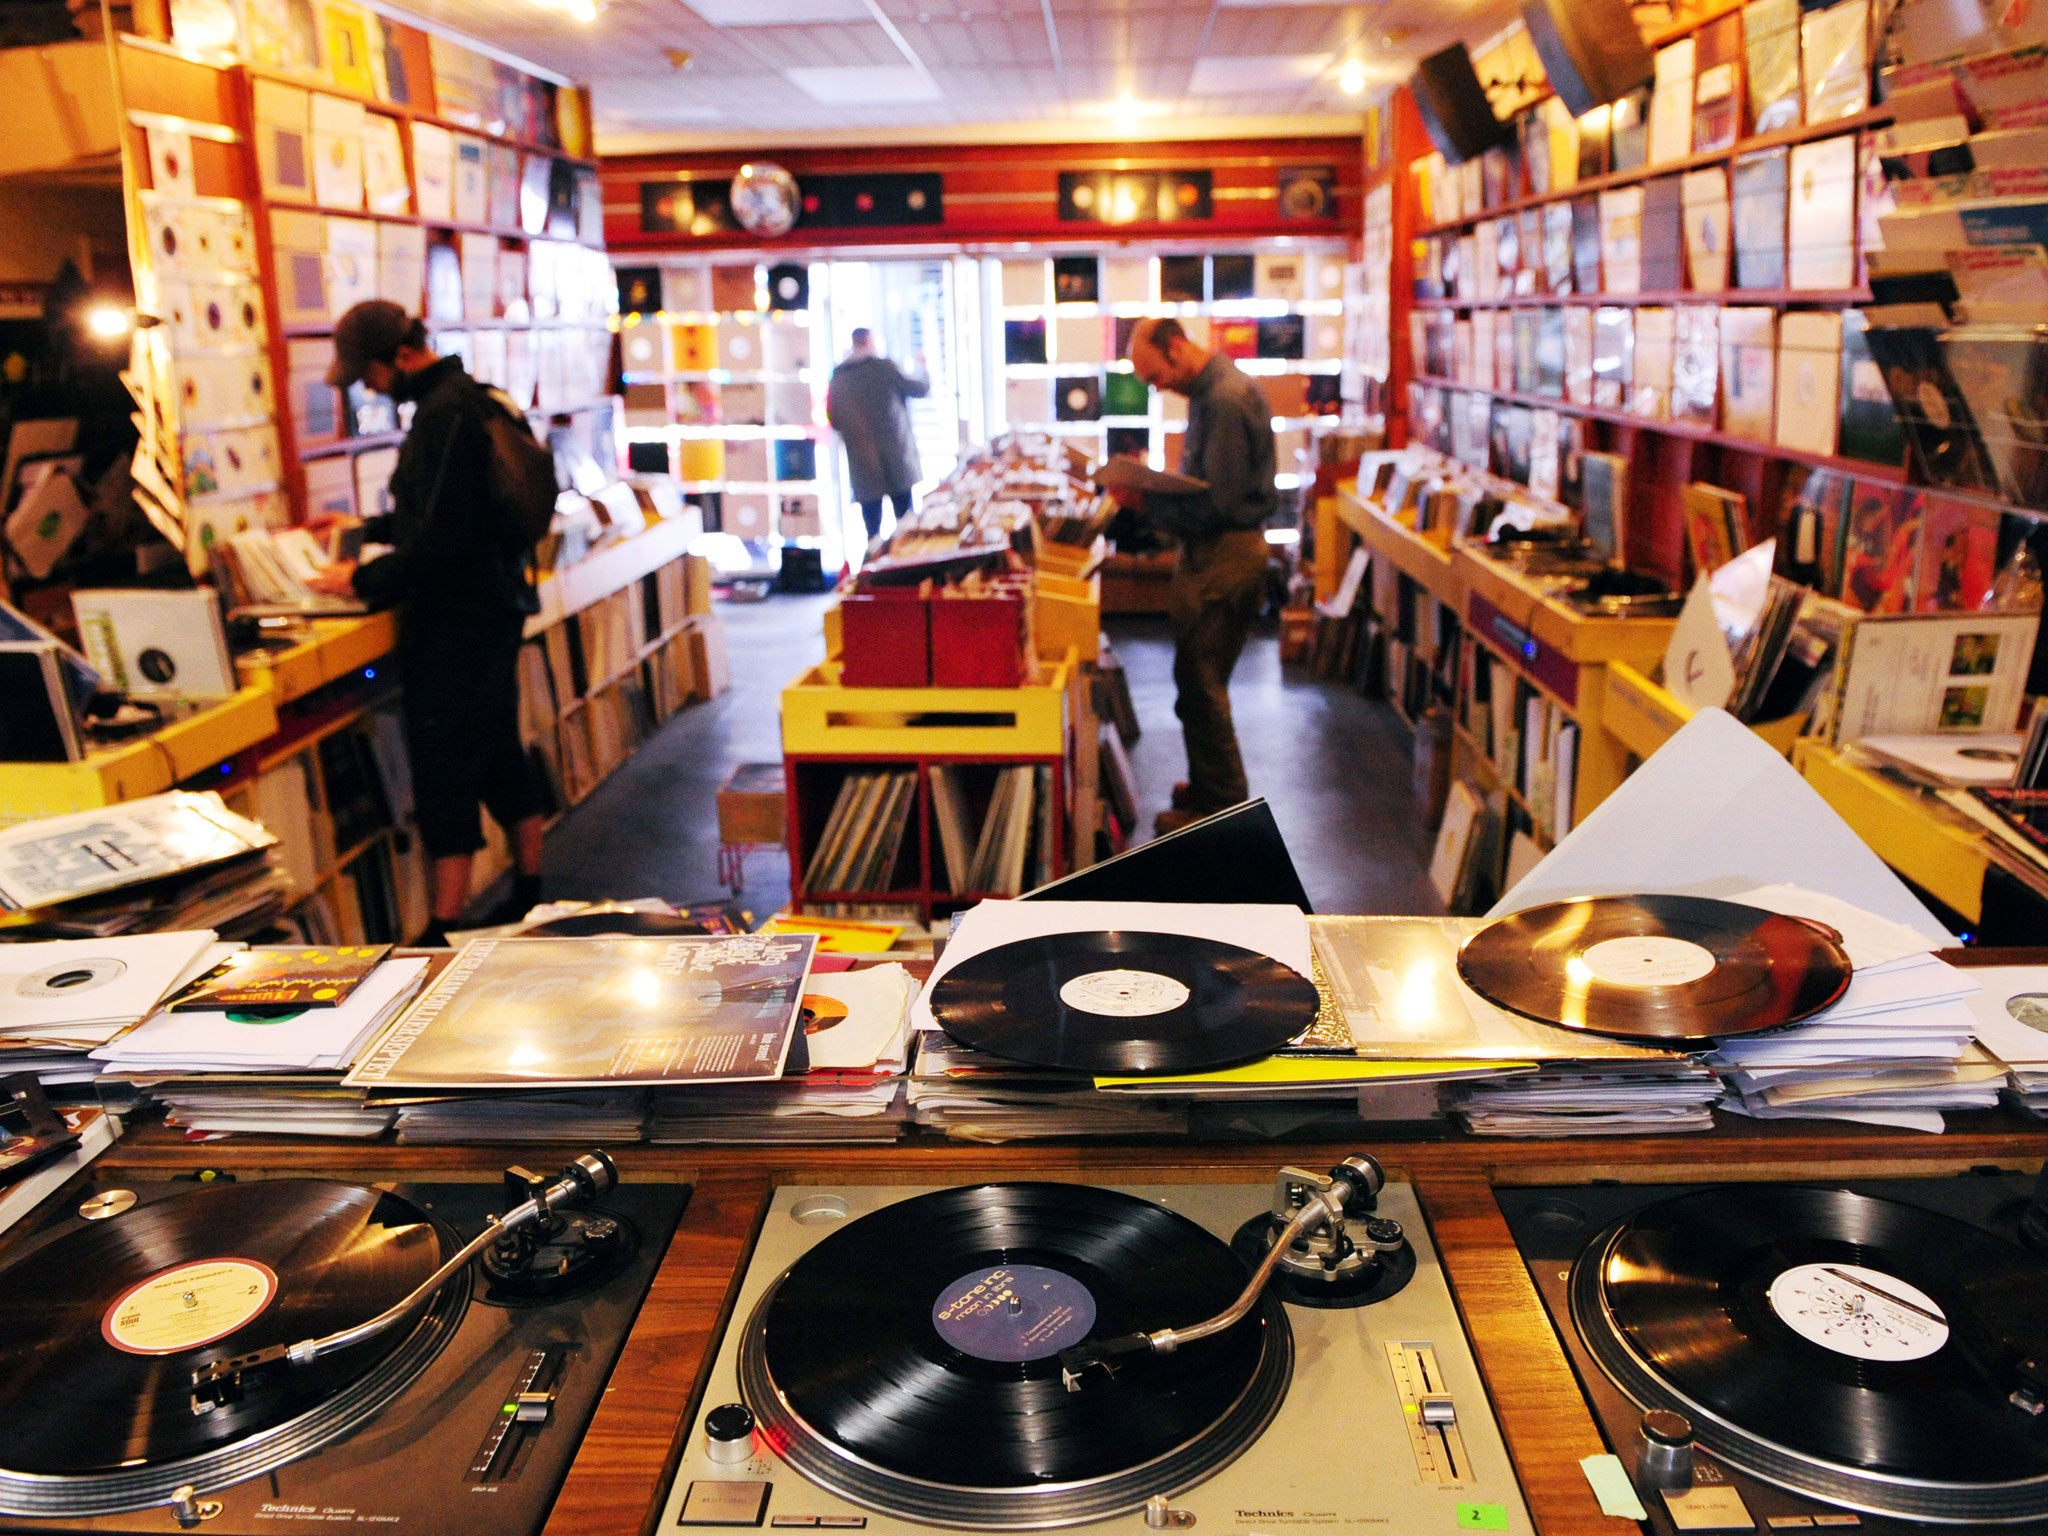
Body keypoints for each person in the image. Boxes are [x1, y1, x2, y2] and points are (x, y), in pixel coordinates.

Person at [307, 300, 547, 944]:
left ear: (401, 358)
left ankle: (444, 926)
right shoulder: (473, 400)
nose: (369, 388)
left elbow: (441, 541)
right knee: (497, 745)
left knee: (445, 763)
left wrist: (358, 578)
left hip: (456, 621)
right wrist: (364, 531)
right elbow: (446, 516)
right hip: (495, 605)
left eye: (370, 375)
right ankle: (530, 888)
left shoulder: (442, 418)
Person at [1123, 316, 1276, 836]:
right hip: (1211, 553)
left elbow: (1217, 504)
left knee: (1204, 686)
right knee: (1193, 680)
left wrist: (1145, 501)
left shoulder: (1226, 401)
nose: (1156, 387)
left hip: (1225, 555)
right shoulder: (1210, 396)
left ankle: (1225, 816)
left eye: (1154, 375)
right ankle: (1208, 791)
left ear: (1176, 347)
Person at [825, 328, 929, 543]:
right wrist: (923, 366)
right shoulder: (884, 368)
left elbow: (833, 419)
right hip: (896, 461)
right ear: (870, 342)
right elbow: (919, 388)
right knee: (907, 528)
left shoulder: (839, 377)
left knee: (872, 533)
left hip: (863, 467)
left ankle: (872, 573)